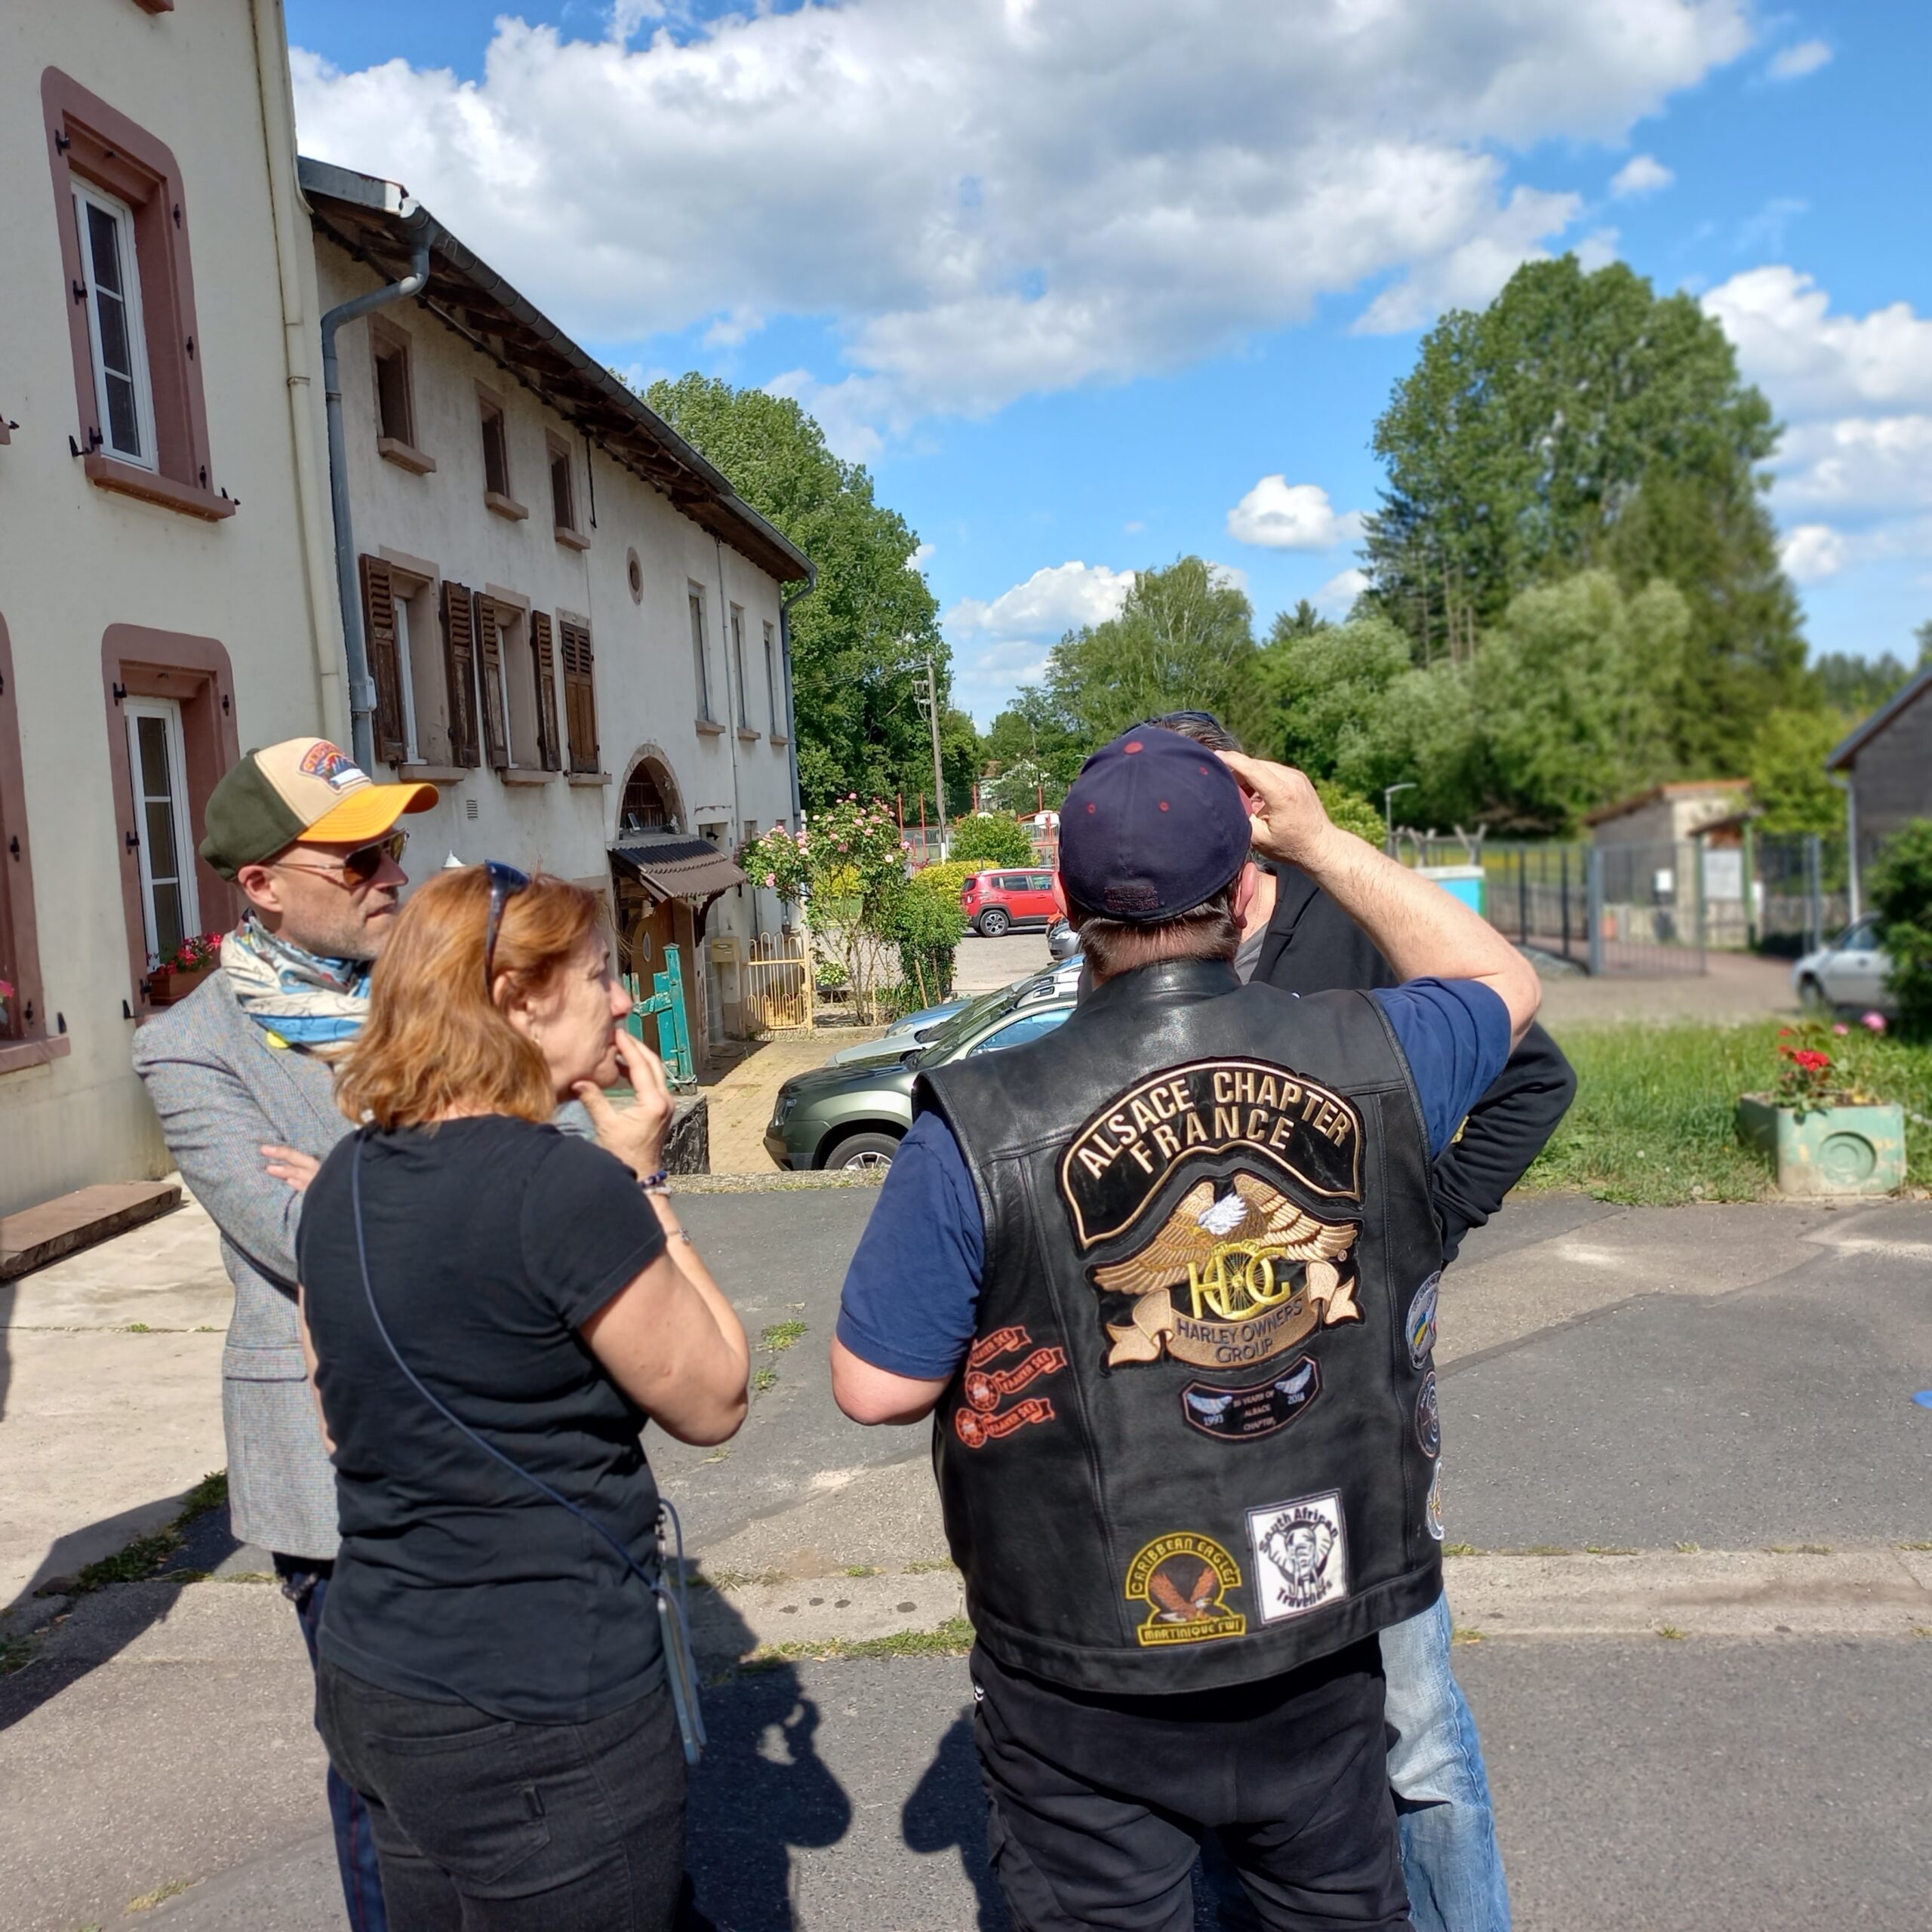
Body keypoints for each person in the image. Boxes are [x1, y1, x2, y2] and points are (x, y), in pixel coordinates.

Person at [831, 727, 1543, 1932]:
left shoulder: (982, 1120)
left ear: (1069, 909)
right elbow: (1506, 986)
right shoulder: (1374, 1049)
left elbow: (874, 1386)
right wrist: (1322, 839)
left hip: (1084, 1665)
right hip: (1316, 1633)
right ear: (1244, 892)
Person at [1149, 710, 1576, 1932]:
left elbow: (1533, 1076)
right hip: (1203, 1398)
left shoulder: (1354, 929)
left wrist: (1428, 1221)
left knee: (1412, 1720)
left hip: (1359, 1399)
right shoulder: (1140, 950)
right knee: (1230, 1710)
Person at [294, 866, 748, 1932]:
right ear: (514, 1000)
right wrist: (645, 1181)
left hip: (382, 1682)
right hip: (541, 1707)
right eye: (597, 975)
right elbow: (717, 1398)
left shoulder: (340, 1180)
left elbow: (335, 1418)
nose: (623, 999)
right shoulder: (565, 1188)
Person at [135, 736, 439, 1932]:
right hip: (333, 1472)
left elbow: (561, 1171)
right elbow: (291, 1236)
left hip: (502, 1439)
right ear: (261, 884)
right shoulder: (189, 1046)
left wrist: (353, 1184)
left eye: (393, 846)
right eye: (359, 858)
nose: (392, 873)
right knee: (386, 1781)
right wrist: (456, 1182)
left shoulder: (443, 993)